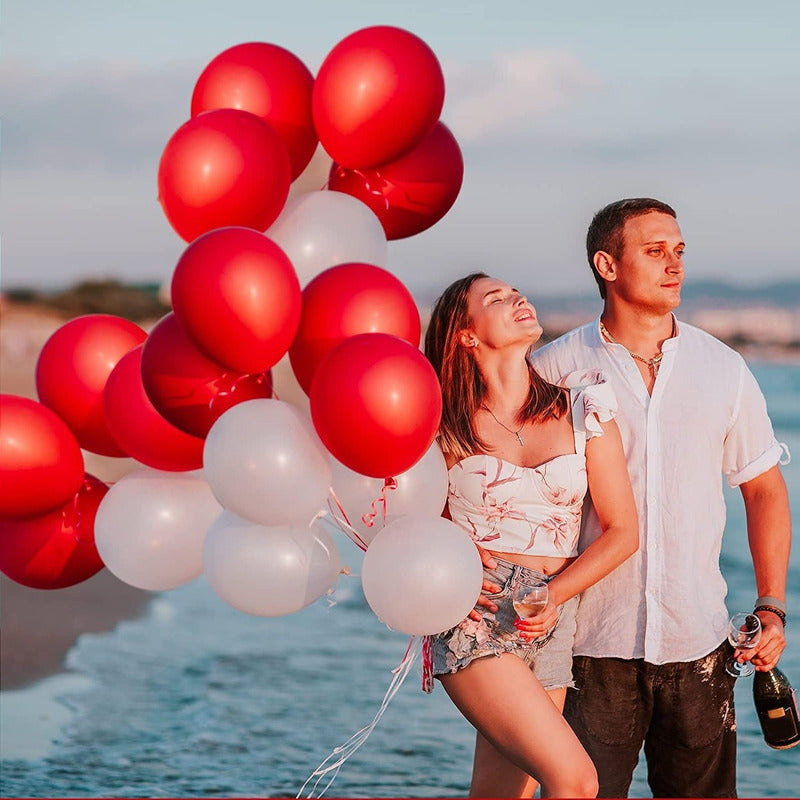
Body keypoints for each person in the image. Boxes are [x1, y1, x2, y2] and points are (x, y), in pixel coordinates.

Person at [530, 198, 792, 798]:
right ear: (608, 264)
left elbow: (764, 491)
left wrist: (772, 604)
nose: (674, 264)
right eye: (654, 251)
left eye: (678, 251)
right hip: (588, 649)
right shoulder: (553, 370)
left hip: (700, 645)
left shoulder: (723, 368)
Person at [423, 272, 639, 798]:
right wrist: (450, 558)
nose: (517, 297)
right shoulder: (441, 423)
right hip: (477, 605)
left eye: (516, 290)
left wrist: (553, 596)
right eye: (495, 299)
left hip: (552, 611)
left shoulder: (584, 411)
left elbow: (622, 532)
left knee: (502, 794)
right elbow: (402, 517)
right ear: (465, 335)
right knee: (575, 779)